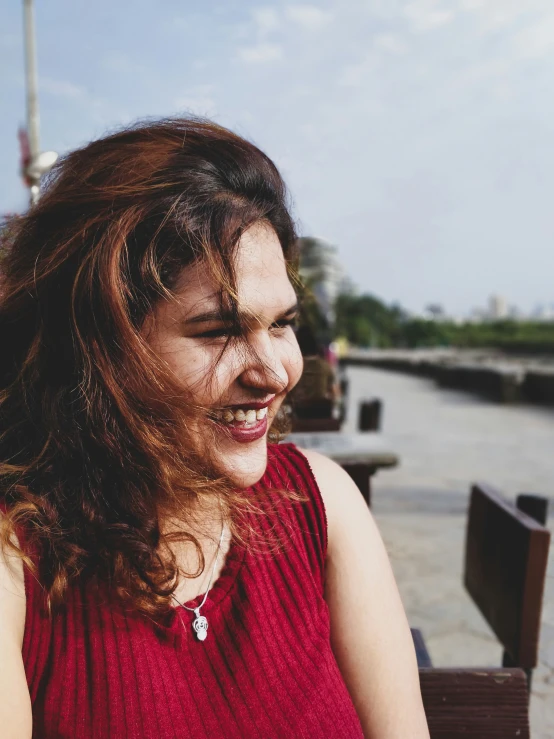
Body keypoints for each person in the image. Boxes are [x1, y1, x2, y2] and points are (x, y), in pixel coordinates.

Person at [0, 118, 429, 739]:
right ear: (96, 348)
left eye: (281, 323)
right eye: (219, 330)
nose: (276, 371)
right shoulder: (21, 561)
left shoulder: (323, 506)